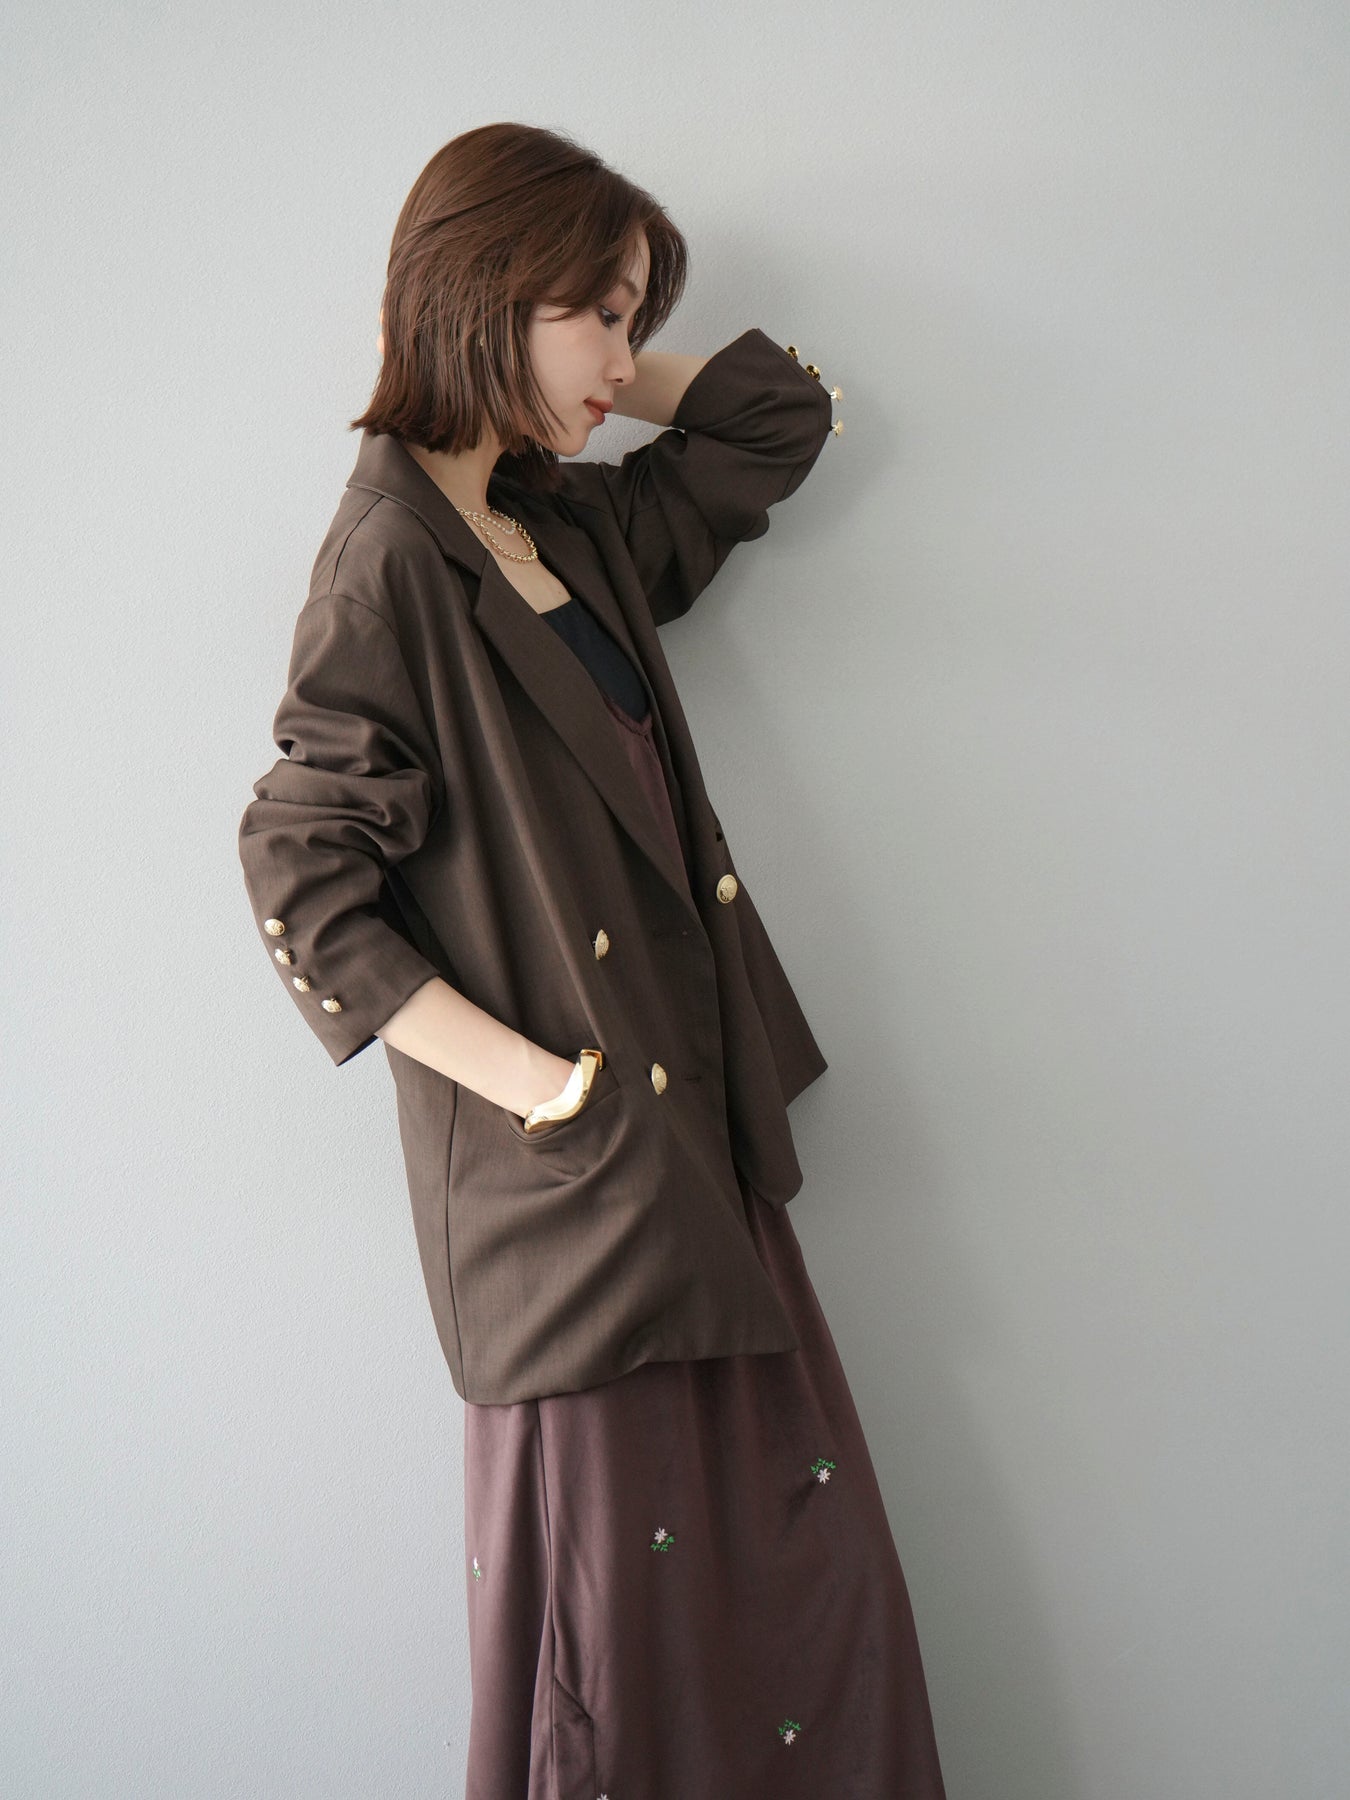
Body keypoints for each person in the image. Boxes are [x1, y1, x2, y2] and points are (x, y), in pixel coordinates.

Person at [238, 121, 946, 1798]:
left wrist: (577, 379)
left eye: (636, 321)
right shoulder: (388, 565)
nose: (626, 363)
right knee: (612, 1659)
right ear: (485, 293)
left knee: (799, 1601)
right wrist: (538, 1088)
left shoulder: (568, 529)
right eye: (602, 316)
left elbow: (777, 420)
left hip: (693, 1142)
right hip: (576, 1200)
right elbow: (299, 874)